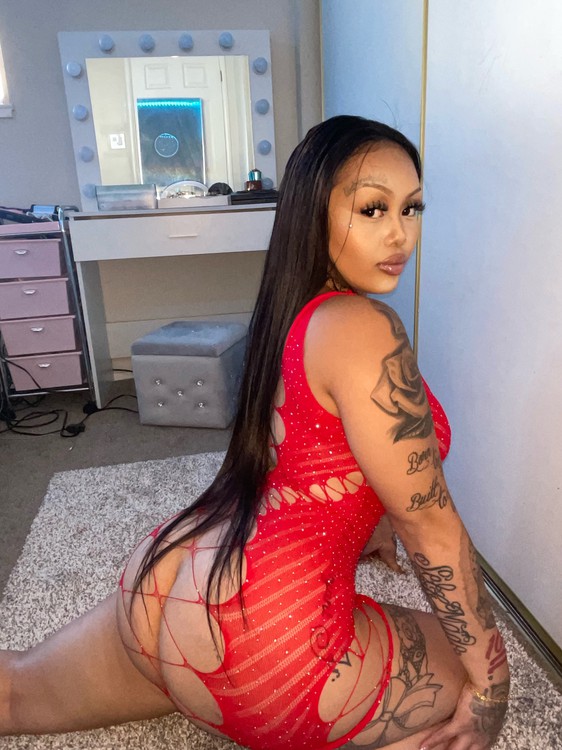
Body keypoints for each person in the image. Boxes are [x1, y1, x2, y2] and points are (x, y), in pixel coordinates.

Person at [0, 115, 510, 749]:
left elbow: (307, 449)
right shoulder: (365, 328)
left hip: (171, 576)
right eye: (373, 208)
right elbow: (429, 525)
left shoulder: (287, 309)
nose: (400, 234)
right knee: (466, 674)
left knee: (13, 689)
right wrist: (493, 687)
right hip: (266, 637)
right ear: (314, 212)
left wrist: (367, 520)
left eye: (412, 208)